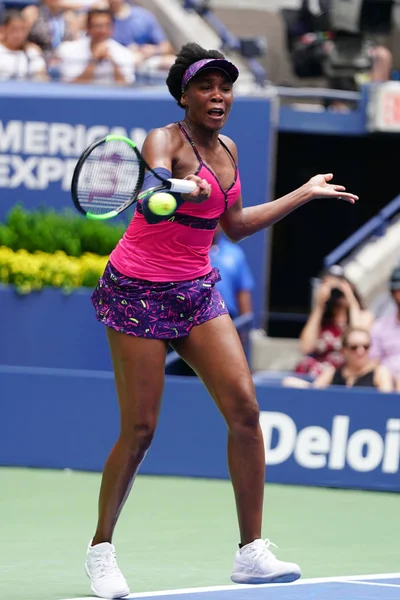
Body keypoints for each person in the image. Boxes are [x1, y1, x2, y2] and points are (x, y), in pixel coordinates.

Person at [85, 42, 358, 599]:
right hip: (137, 290)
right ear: (183, 94)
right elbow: (154, 191)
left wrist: (303, 193)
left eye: (225, 86)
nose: (218, 96)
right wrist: (177, 188)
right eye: (206, 86)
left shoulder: (230, 148)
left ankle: (251, 552)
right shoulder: (165, 139)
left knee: (246, 411)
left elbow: (233, 224)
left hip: (195, 291)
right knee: (140, 431)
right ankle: (101, 550)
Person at [294, 266, 373, 378]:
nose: (336, 293)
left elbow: (358, 337)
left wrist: (350, 300)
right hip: (318, 372)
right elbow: (306, 347)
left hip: (346, 372)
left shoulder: (363, 315)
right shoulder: (321, 318)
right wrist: (319, 306)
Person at [284, 328, 394, 392]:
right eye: (354, 347)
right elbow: (314, 392)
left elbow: (385, 402)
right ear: (344, 350)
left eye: (365, 346)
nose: (360, 352)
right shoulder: (333, 373)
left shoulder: (379, 373)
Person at [56, 8, 135, 85]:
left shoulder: (124, 53)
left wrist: (113, 63)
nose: (103, 31)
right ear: (88, 28)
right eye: (98, 26)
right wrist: (94, 60)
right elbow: (71, 86)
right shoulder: (69, 49)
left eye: (107, 26)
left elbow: (127, 87)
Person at [210, 224, 254, 320]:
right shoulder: (188, 251)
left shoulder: (235, 253)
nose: (215, 224)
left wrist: (246, 327)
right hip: (196, 317)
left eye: (219, 219)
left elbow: (243, 290)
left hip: (229, 317)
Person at [370, 266, 400, 388]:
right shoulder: (380, 327)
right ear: (393, 293)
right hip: (386, 383)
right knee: (382, 372)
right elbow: (374, 362)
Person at [0, 10, 48, 81]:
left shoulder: (31, 52)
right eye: (14, 29)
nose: (19, 35)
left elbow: (42, 78)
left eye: (23, 30)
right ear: (3, 29)